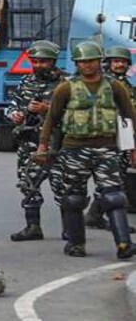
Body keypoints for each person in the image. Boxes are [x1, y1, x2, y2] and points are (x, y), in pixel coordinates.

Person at [37, 41, 136, 259]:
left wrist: (132, 148)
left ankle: (123, 244)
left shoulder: (114, 86)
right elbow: (51, 118)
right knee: (73, 198)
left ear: (99, 62)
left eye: (91, 61)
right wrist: (43, 146)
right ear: (76, 64)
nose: (87, 66)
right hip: (74, 149)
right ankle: (76, 243)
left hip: (106, 148)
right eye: (81, 62)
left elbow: (128, 117)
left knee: (114, 197)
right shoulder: (66, 87)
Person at [5, 40, 66, 241]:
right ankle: (33, 227)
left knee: (64, 186)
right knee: (29, 184)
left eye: (44, 62)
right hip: (30, 142)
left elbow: (77, 113)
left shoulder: (66, 83)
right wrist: (15, 114)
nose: (39, 65)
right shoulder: (26, 82)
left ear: (53, 61)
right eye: (36, 61)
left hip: (58, 144)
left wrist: (47, 109)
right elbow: (13, 105)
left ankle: (70, 229)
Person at [85, 45, 136, 226]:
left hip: (124, 136)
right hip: (106, 137)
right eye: (116, 61)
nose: (120, 64)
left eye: (123, 61)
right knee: (112, 179)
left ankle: (95, 214)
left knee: (116, 177)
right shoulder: (104, 84)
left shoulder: (127, 85)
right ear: (108, 63)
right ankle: (107, 218)